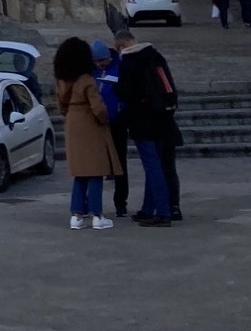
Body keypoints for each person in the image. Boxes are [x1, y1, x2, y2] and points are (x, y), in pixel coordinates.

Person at [53, 35, 121, 231]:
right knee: (95, 170)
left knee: (80, 172)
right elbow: (98, 108)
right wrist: (105, 118)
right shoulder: (86, 79)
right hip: (89, 123)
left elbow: (61, 105)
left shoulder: (61, 80)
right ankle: (97, 214)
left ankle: (76, 215)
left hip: (72, 122)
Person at [116, 26, 182, 224]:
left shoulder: (129, 62)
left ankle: (162, 212)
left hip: (142, 120)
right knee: (158, 165)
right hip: (163, 118)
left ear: (121, 46)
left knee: (152, 166)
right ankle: (149, 208)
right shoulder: (155, 56)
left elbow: (125, 93)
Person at [91, 38, 129, 218]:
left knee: (120, 163)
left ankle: (121, 202)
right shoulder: (93, 72)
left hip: (117, 121)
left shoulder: (119, 68)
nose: (99, 64)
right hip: (98, 123)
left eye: (101, 61)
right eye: (96, 62)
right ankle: (94, 204)